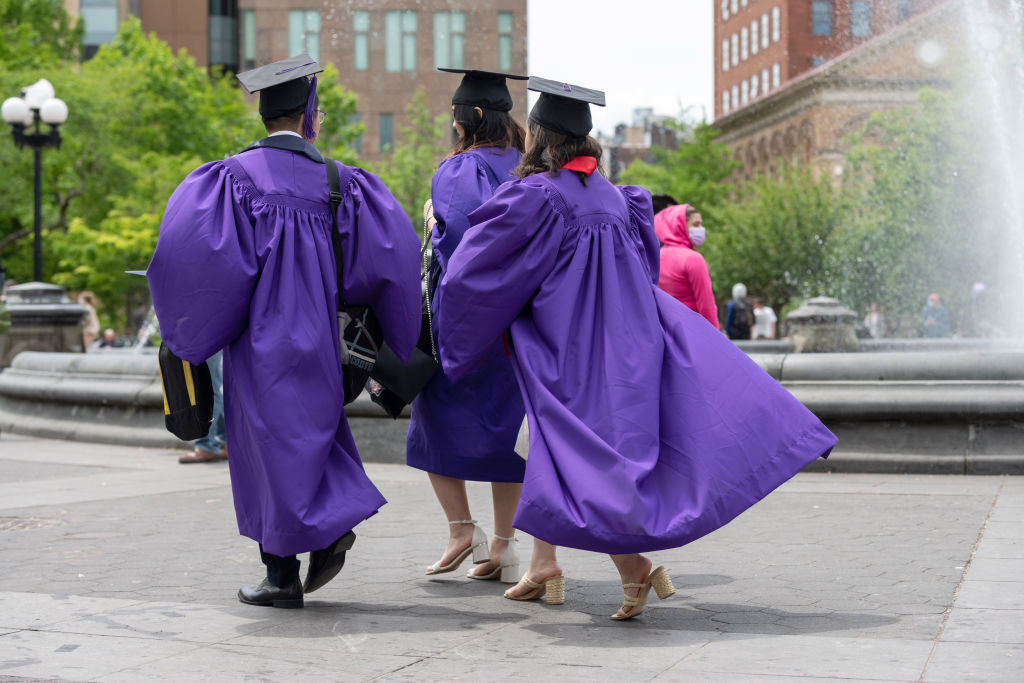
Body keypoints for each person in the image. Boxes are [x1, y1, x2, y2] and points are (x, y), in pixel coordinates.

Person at [435, 76, 836, 621]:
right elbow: (644, 268)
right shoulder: (618, 198)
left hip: (569, 348)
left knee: (580, 459)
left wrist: (450, 298)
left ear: (540, 137)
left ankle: (630, 568)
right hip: (627, 344)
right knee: (565, 453)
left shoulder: (537, 196)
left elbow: (476, 270)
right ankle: (565, 566)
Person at [146, 55, 421, 609]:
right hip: (325, 342)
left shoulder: (230, 181)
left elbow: (193, 261)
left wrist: (191, 336)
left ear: (265, 117)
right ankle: (326, 531)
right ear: (310, 116)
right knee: (317, 434)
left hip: (260, 343)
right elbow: (391, 258)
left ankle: (281, 575)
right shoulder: (344, 183)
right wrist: (397, 332)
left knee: (265, 449)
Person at [406, 69, 528, 583]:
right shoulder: (531, 166)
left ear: (472, 117)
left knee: (430, 420)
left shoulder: (462, 169)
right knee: (509, 433)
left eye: (456, 117)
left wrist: (432, 222)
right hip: (523, 323)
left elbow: (461, 246)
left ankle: (461, 529)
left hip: (468, 322)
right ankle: (503, 547)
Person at [653, 203, 719, 329]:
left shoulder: (655, 257)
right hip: (692, 331)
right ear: (680, 225)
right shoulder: (693, 259)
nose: (701, 229)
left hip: (665, 331)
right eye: (696, 224)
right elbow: (706, 305)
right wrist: (717, 339)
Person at [178, 350, 227, 464]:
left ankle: (207, 445)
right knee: (208, 384)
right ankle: (227, 440)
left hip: (206, 333)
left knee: (207, 386)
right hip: (203, 333)